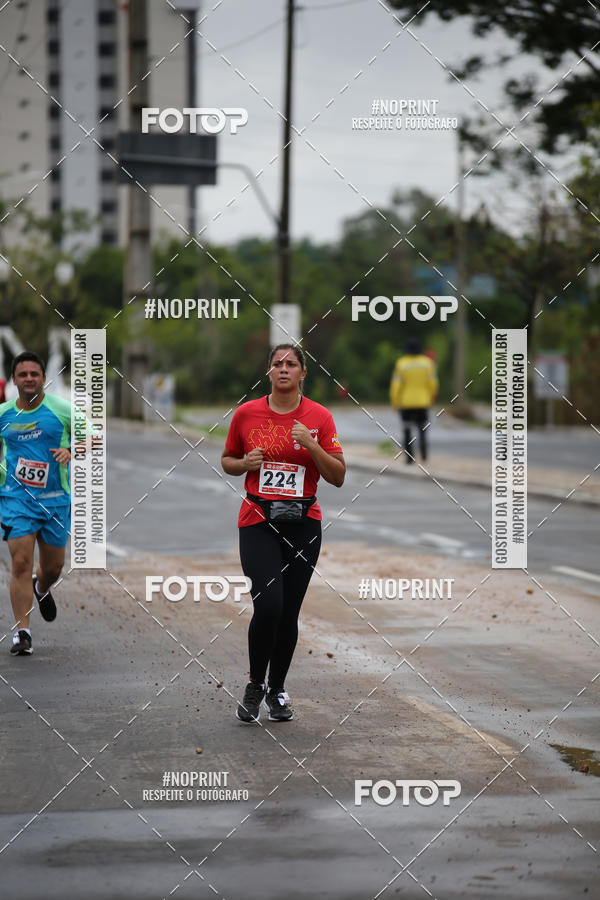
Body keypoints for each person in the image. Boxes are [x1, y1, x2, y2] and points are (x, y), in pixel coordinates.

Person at [221, 343, 345, 723]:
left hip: (303, 523)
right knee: (269, 605)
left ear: (303, 373)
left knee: (289, 611)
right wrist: (244, 463)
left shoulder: (319, 417)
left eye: (292, 364)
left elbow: (338, 476)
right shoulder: (246, 414)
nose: (284, 369)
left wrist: (311, 444)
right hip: (258, 519)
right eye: (277, 364)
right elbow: (227, 461)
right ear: (269, 372)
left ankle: (277, 690)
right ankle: (255, 683)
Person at [0, 351, 75, 655]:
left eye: (34, 374)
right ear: (14, 380)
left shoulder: (61, 409)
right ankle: (23, 633)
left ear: (44, 378)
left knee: (54, 567)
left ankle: (41, 587)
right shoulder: (4, 413)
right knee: (20, 561)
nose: (29, 379)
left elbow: (93, 437)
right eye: (23, 374)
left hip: (55, 501)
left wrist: (72, 448)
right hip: (16, 499)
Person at [389, 337, 438, 463]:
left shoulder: (402, 364)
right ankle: (424, 454)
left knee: (407, 430)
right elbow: (432, 383)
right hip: (423, 402)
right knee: (422, 429)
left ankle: (409, 457)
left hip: (406, 403)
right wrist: (432, 396)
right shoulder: (427, 363)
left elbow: (396, 386)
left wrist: (395, 402)